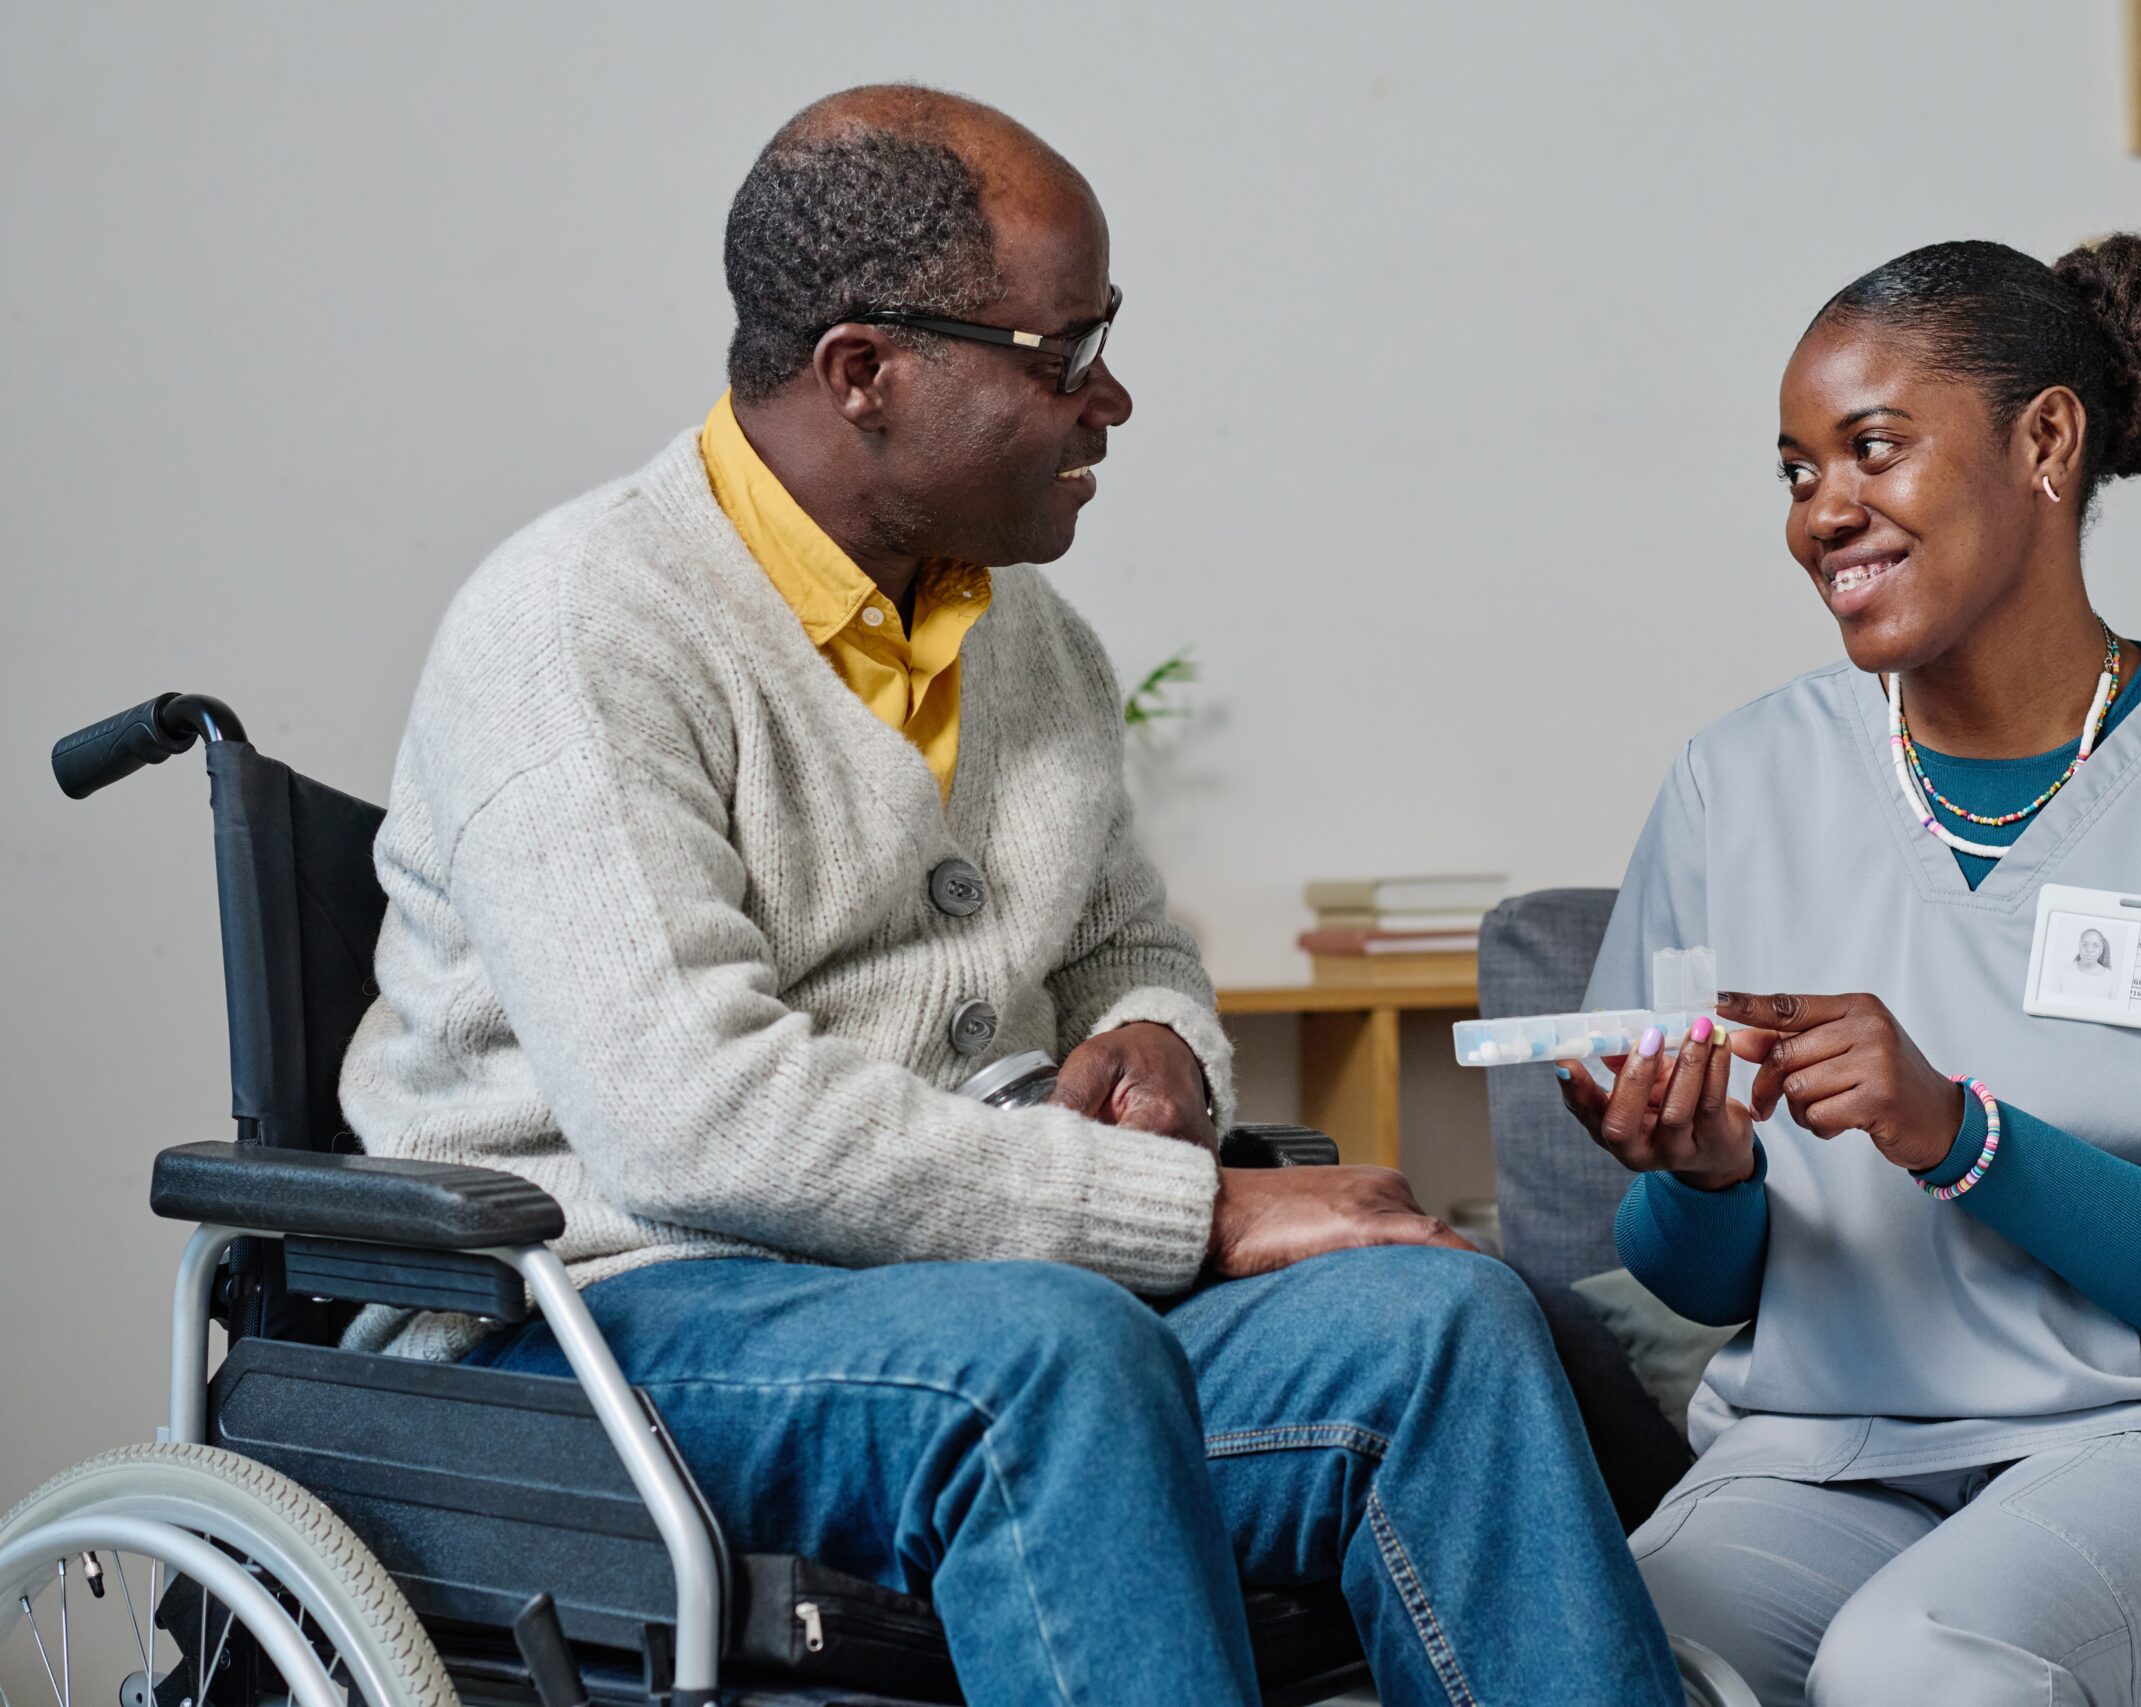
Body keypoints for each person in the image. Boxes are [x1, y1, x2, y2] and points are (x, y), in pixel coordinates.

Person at [338, 85, 1683, 1707]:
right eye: (1063, 354)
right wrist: (1202, 1208)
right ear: (866, 375)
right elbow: (692, 1123)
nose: (1110, 395)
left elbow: (1128, 943)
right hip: (592, 1322)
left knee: (1441, 1318)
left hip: (957, 1311)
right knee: (1048, 1354)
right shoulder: (580, 630)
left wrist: (1156, 1037)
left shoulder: (1030, 645)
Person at [1558, 236, 2141, 1706]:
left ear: (2046, 439)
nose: (1822, 512)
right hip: (1824, 1458)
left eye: (1875, 450)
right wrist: (1704, 1179)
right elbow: (1689, 1277)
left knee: (1920, 1664)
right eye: (1795, 471)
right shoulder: (1736, 784)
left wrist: (1963, 1138)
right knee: (1586, 1653)